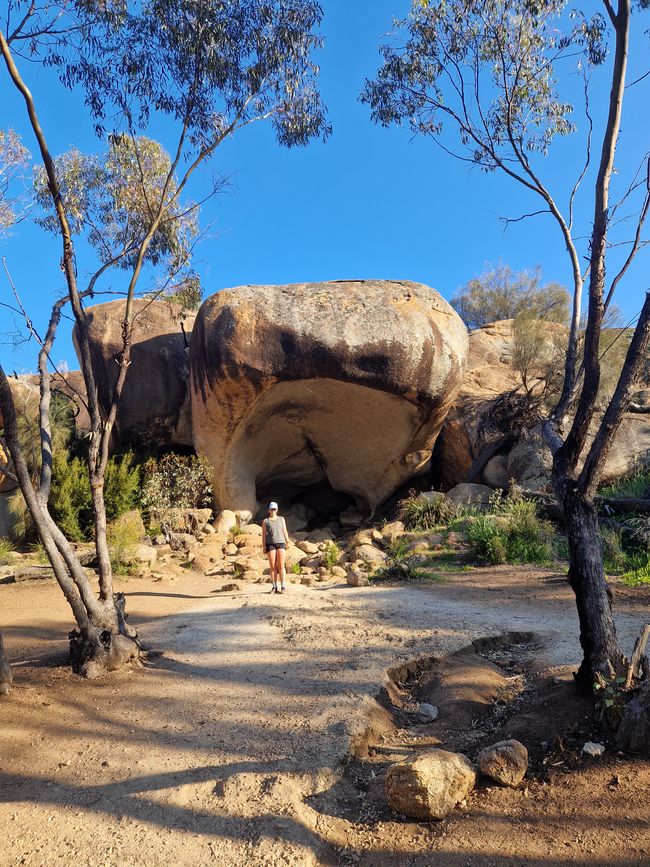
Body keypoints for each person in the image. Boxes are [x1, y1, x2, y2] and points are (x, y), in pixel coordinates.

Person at [262, 501, 289, 593]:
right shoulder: (265, 521)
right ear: (268, 510)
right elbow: (264, 535)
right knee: (273, 566)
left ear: (277, 510)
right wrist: (264, 546)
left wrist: (287, 540)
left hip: (281, 543)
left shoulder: (281, 519)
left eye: (274, 509)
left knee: (281, 565)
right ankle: (274, 586)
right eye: (271, 509)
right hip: (270, 544)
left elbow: (284, 530)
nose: (273, 511)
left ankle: (283, 586)